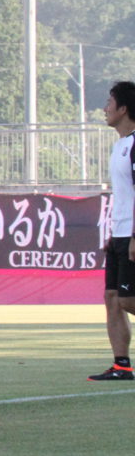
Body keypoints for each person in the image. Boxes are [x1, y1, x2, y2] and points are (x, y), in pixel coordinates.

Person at [90, 82, 135, 381]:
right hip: (119, 232)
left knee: (128, 300)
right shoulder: (118, 145)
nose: (105, 108)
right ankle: (122, 365)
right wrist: (114, 231)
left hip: (132, 233)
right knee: (111, 297)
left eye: (109, 102)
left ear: (123, 109)